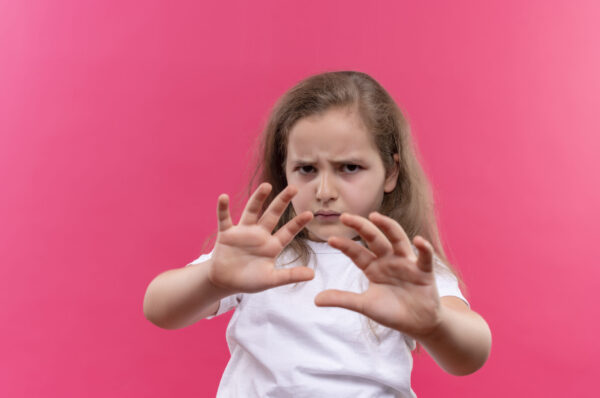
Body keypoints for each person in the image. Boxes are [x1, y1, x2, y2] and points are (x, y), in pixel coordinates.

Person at [143, 71, 492, 397]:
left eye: (349, 168)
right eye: (306, 169)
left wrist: (434, 325)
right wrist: (213, 281)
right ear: (285, 171)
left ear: (390, 172)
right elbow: (159, 308)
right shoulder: (260, 255)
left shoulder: (403, 267)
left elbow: (471, 353)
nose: (324, 190)